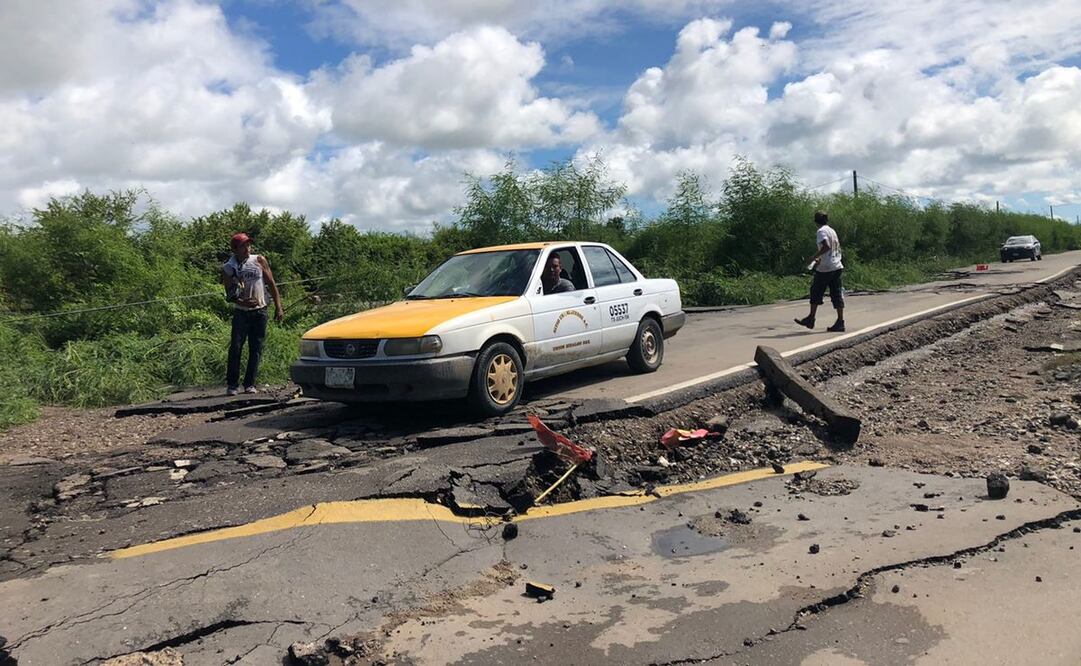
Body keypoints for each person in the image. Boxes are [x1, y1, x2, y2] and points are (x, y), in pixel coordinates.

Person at [222, 233, 283, 395]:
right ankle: (232, 384)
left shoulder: (259, 260)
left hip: (260, 311)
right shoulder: (229, 267)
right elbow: (229, 295)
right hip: (242, 313)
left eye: (248, 245)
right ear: (235, 249)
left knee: (256, 348)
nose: (247, 248)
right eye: (243, 246)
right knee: (236, 347)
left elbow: (271, 283)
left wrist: (278, 306)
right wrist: (242, 302)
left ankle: (250, 383)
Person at [795, 211, 845, 332]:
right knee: (836, 293)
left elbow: (826, 246)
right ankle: (840, 322)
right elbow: (831, 248)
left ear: (816, 221)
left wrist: (814, 257)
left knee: (816, 291)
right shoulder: (832, 230)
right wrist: (820, 257)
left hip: (826, 268)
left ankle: (811, 318)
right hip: (837, 266)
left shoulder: (821, 231)